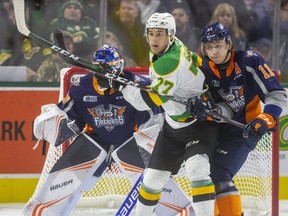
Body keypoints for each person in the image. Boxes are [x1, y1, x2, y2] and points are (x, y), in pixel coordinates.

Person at [23, 44, 160, 216]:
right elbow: (67, 116)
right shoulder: (82, 87)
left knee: (158, 188)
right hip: (95, 141)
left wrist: (153, 141)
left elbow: (152, 114)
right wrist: (51, 121)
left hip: (129, 141)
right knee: (57, 190)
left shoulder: (132, 84)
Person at [120, 12, 219, 216]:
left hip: (199, 123)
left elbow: (145, 102)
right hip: (173, 125)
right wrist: (125, 77)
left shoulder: (170, 62)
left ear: (171, 35)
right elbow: (158, 84)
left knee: (197, 170)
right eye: (151, 34)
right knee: (152, 180)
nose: (154, 39)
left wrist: (121, 86)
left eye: (160, 34)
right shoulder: (167, 48)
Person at [186, 22, 287, 216]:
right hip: (219, 128)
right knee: (203, 172)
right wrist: (204, 109)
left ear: (229, 44)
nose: (214, 51)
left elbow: (277, 94)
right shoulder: (205, 69)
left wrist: (266, 118)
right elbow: (222, 108)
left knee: (220, 173)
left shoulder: (249, 61)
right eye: (209, 47)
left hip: (247, 128)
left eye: (218, 45)